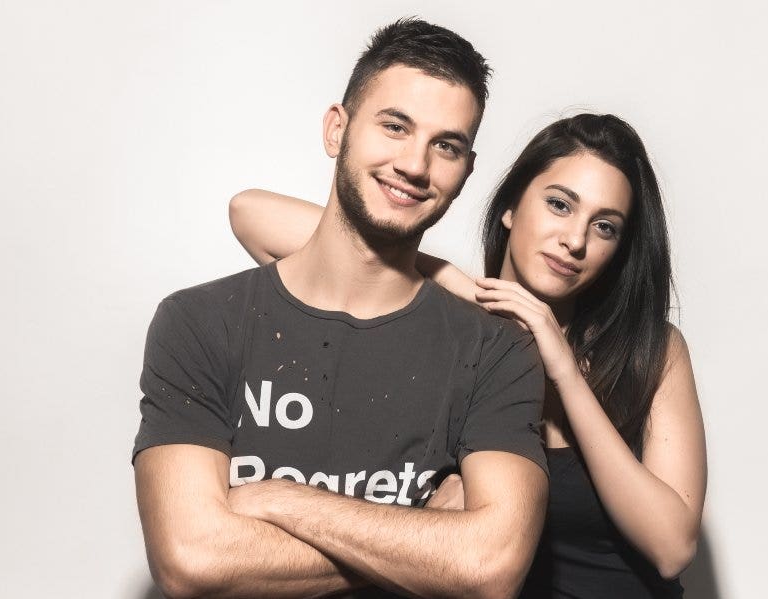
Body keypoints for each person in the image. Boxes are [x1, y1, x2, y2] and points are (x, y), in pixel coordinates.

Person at [133, 19, 550, 599]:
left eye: (446, 145)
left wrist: (279, 500)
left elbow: (490, 568)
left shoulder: (496, 350)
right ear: (338, 129)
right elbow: (193, 560)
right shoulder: (202, 321)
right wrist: (431, 540)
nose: (415, 164)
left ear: (466, 171)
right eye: (395, 126)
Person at [230, 113, 707, 598]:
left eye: (604, 227)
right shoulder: (453, 327)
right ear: (510, 207)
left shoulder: (652, 351)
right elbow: (250, 214)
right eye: (559, 205)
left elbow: (672, 546)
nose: (576, 240)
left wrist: (564, 369)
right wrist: (462, 290)